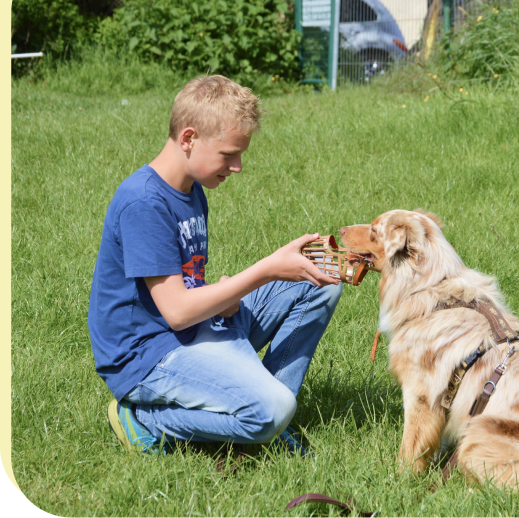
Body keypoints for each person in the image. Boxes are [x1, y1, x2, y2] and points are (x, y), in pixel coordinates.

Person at [87, 75, 342, 456]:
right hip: (147, 356)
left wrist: (224, 296)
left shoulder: (191, 189)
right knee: (273, 410)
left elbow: (186, 290)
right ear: (188, 139)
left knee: (319, 281)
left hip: (193, 328)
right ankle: (146, 420)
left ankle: (258, 417)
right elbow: (175, 312)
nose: (237, 166)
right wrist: (265, 270)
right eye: (228, 154)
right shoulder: (143, 202)